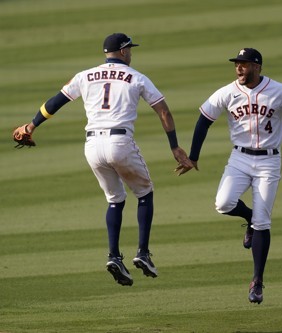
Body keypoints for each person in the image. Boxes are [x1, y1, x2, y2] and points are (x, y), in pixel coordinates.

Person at [13, 33, 193, 286]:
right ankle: (142, 253)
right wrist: (174, 146)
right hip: (120, 142)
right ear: (121, 51)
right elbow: (163, 111)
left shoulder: (85, 75)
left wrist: (31, 125)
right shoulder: (137, 77)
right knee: (144, 193)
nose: (131, 53)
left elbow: (55, 102)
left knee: (115, 199)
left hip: (92, 147)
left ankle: (114, 256)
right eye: (129, 49)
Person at [175, 48, 282, 304]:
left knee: (263, 221)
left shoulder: (280, 90)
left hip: (269, 161)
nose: (239, 68)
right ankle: (248, 218)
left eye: (244, 64)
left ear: (257, 66)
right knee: (223, 203)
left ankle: (257, 281)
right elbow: (203, 120)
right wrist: (194, 156)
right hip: (239, 159)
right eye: (237, 64)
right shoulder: (228, 92)